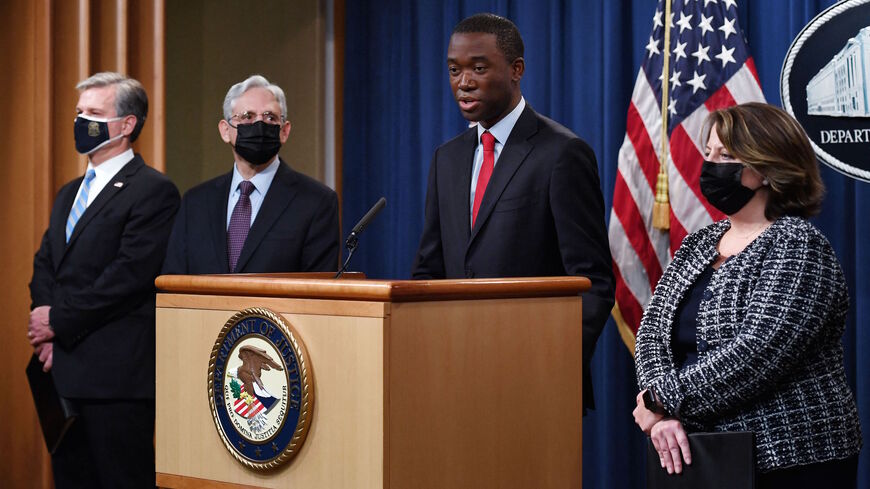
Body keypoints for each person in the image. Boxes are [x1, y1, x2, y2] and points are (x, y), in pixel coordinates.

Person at [633, 102, 862, 487]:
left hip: (791, 458)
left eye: (725, 155)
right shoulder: (699, 243)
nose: (710, 164)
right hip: (698, 451)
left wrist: (659, 401)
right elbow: (652, 332)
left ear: (769, 169)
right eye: (708, 153)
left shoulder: (798, 244)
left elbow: (757, 353)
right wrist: (661, 417)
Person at [411, 13, 614, 412]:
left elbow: (592, 282)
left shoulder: (562, 153)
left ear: (516, 70)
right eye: (454, 70)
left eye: (478, 68)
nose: (463, 82)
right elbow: (429, 270)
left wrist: (549, 366)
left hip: (535, 384)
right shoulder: (446, 159)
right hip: (454, 379)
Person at [27, 72, 180, 487]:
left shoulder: (153, 190)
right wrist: (45, 328)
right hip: (61, 373)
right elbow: (46, 265)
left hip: (115, 380)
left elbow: (128, 276)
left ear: (127, 124)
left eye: (94, 113)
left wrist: (57, 322)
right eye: (79, 113)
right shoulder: (68, 192)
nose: (81, 121)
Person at [162, 75, 339, 275]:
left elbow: (316, 292)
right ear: (225, 130)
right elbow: (172, 284)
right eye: (247, 116)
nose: (259, 125)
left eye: (270, 117)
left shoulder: (316, 202)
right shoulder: (195, 202)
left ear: (284, 131)